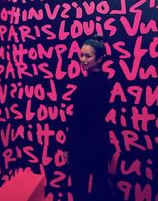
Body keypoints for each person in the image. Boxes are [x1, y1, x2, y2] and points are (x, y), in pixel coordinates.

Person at [66, 34, 113, 201]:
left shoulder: (91, 83)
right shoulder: (104, 81)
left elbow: (80, 118)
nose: (83, 59)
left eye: (88, 56)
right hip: (98, 141)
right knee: (99, 187)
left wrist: (69, 145)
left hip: (84, 143)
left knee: (81, 189)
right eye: (81, 55)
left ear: (99, 59)